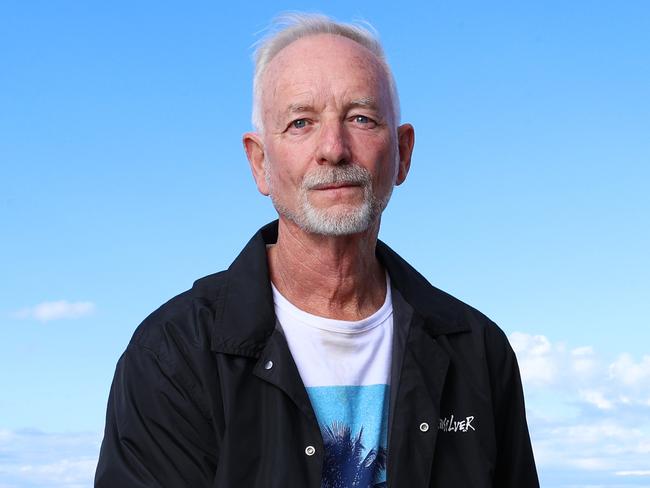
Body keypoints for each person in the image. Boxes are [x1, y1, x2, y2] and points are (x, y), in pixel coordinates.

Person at [95, 13, 539, 488]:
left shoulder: (478, 351)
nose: (334, 147)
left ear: (403, 153)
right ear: (260, 162)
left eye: (361, 118)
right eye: (301, 122)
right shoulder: (173, 355)